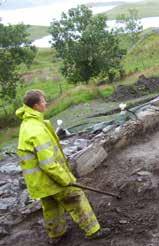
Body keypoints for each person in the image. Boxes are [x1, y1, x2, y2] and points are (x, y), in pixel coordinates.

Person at [16, 90, 110, 244]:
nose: (46, 103)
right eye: (43, 100)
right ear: (36, 105)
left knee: (51, 207)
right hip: (51, 178)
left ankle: (57, 235)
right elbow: (48, 164)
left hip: (39, 182)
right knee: (76, 198)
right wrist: (65, 179)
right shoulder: (37, 130)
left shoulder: (28, 124)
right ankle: (93, 231)